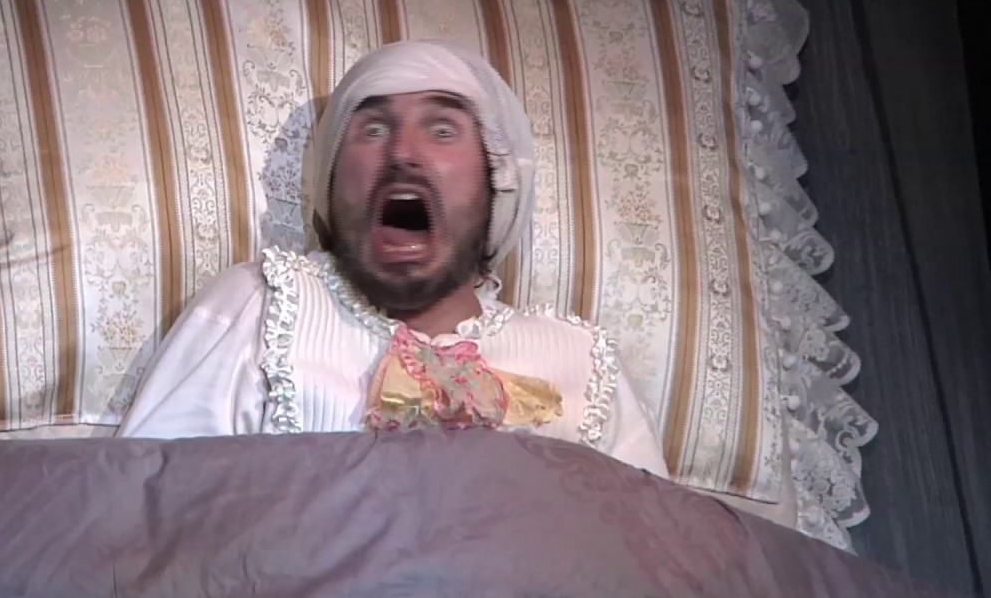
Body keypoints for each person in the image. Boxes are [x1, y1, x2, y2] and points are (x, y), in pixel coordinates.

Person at [118, 39, 669, 478]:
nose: (403, 153)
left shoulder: (583, 364)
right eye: (374, 130)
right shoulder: (260, 308)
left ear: (497, 184)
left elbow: (662, 554)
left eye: (443, 130)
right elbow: (142, 518)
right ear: (333, 186)